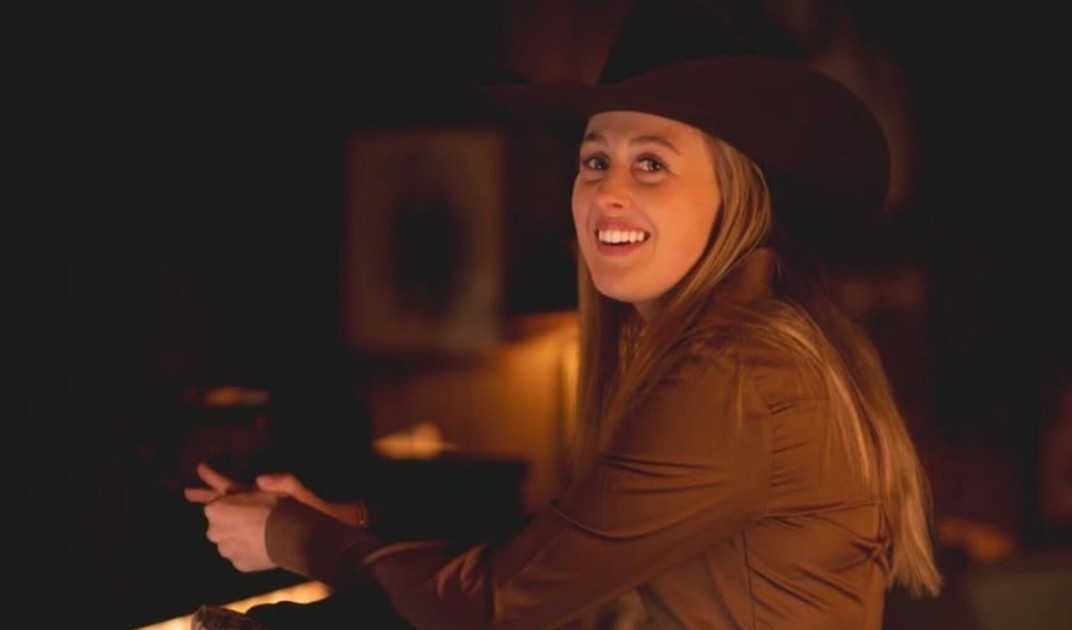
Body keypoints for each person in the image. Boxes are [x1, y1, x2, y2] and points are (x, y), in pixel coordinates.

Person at [189, 1, 942, 627]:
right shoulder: (740, 349)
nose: (608, 191)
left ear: (736, 195)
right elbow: (565, 552)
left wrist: (297, 538)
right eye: (595, 160)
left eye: (651, 163)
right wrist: (347, 525)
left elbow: (496, 607)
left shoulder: (735, 373)